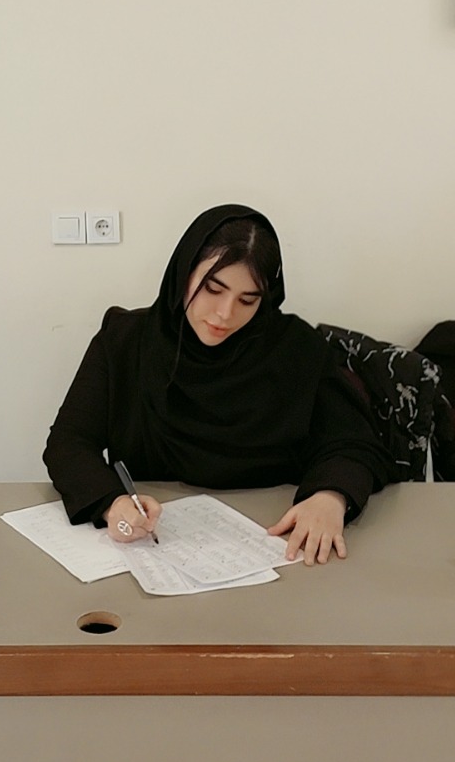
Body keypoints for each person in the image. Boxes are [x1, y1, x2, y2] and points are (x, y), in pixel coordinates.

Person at [43, 204, 395, 564]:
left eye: (248, 299)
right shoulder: (124, 341)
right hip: (158, 544)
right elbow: (69, 442)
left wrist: (330, 498)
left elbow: (353, 442)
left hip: (277, 542)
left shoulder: (296, 349)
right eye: (213, 289)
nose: (225, 314)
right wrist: (112, 503)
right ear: (184, 273)